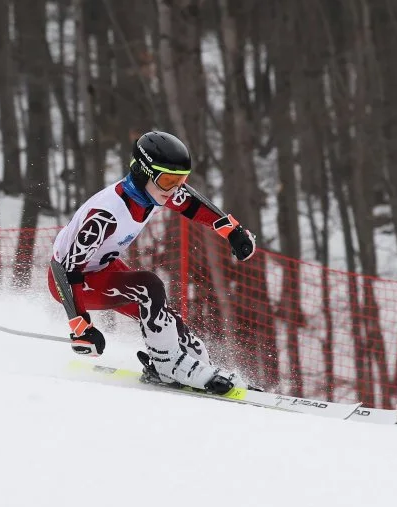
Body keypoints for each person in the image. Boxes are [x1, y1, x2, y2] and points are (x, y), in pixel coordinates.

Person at [46, 130, 257, 395]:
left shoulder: (153, 191)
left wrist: (231, 231)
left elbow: (190, 203)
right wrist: (80, 326)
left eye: (181, 180)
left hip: (100, 269)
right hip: (73, 281)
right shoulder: (106, 214)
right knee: (148, 286)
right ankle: (167, 365)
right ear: (143, 173)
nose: (176, 189)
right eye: (170, 181)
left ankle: (199, 364)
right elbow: (64, 269)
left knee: (173, 326)